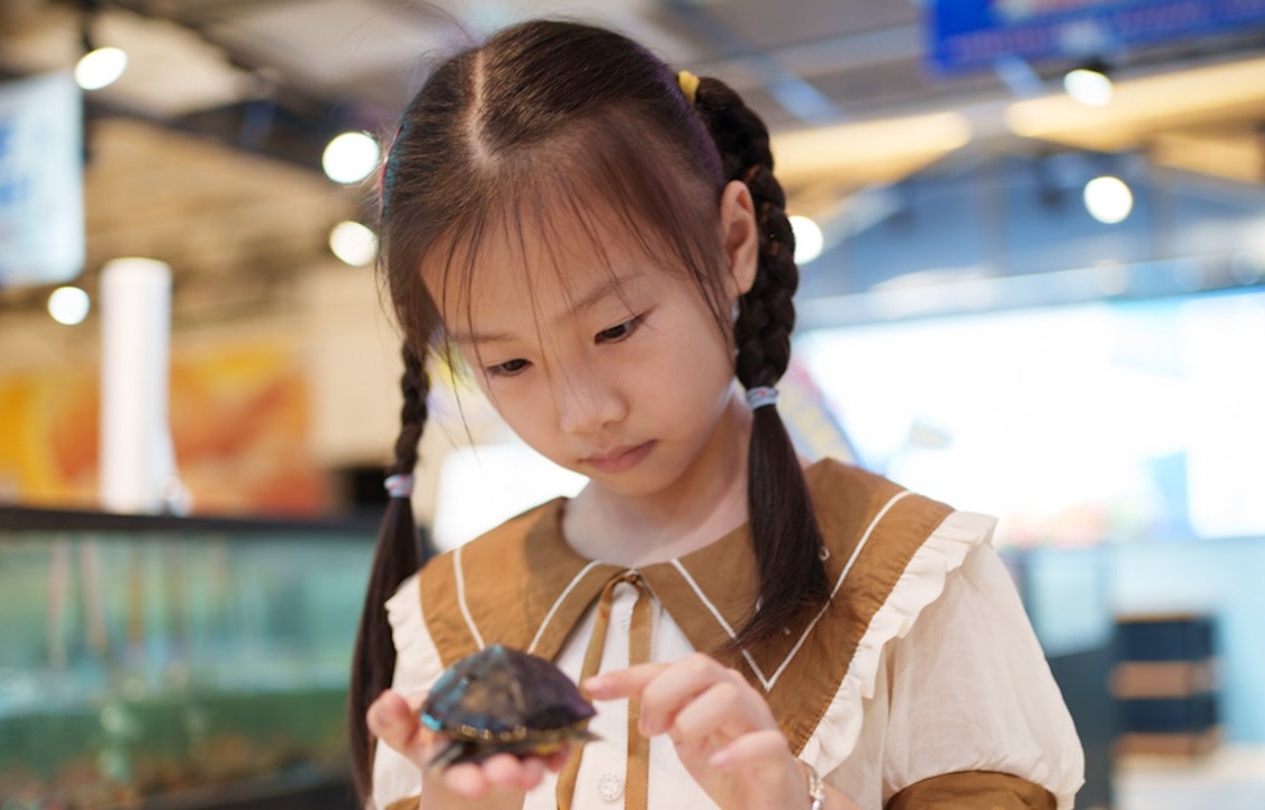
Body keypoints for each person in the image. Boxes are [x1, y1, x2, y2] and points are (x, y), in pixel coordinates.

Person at [348, 18, 1085, 810]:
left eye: (617, 327)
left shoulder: (910, 576)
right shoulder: (450, 612)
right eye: (509, 363)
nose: (585, 412)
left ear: (734, 240)